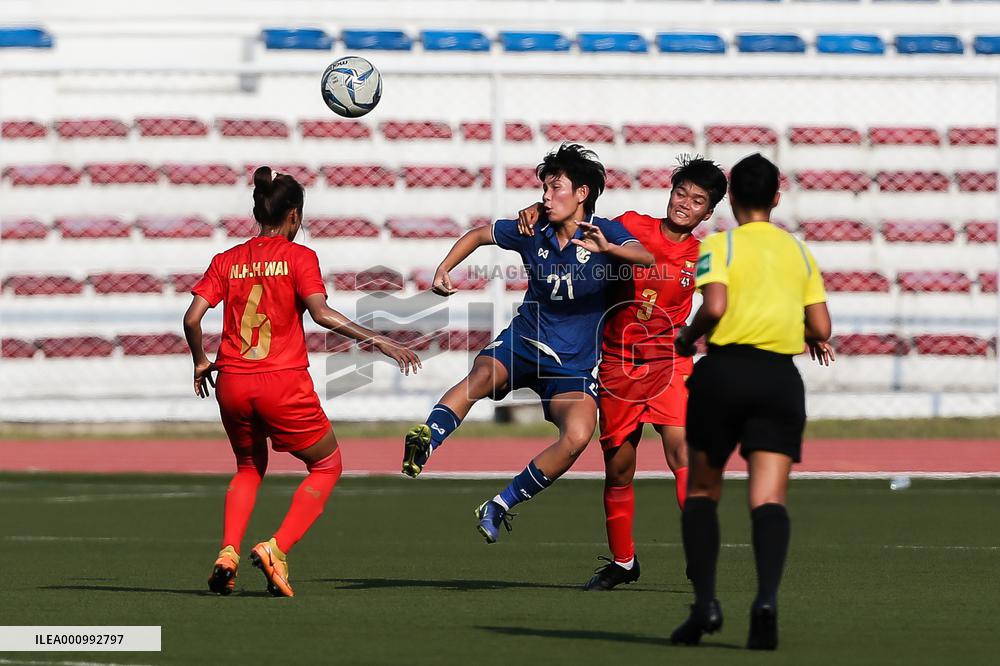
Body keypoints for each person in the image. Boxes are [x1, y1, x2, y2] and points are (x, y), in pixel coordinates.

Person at [183, 166, 421, 597]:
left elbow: (192, 318)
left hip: (232, 381)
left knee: (248, 468)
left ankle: (228, 553)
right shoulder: (299, 257)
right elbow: (321, 313)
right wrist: (380, 342)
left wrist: (201, 359)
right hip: (281, 382)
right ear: (294, 215)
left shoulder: (227, 260)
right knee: (327, 465)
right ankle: (277, 548)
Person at [400, 143, 654, 544]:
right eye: (545, 189)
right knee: (481, 376)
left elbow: (646, 258)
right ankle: (427, 438)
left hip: (571, 365)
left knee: (577, 436)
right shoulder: (532, 228)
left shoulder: (605, 233)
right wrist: (445, 267)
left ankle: (499, 505)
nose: (546, 197)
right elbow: (480, 234)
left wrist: (611, 248)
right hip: (525, 341)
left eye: (556, 189)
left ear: (582, 194)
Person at [516, 157, 727, 590]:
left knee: (682, 455)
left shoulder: (704, 254)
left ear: (708, 213)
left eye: (697, 201)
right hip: (617, 364)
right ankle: (623, 562)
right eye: (680, 193)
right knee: (619, 470)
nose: (685, 204)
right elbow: (579, 221)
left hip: (670, 363)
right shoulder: (631, 224)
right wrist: (537, 211)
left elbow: (719, 301)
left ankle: (699, 552)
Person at [668, 154, 834, 649]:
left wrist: (687, 337)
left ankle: (705, 607)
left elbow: (714, 307)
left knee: (702, 491)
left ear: (731, 199)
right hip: (779, 379)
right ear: (777, 199)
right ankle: (765, 601)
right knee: (768, 498)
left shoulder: (719, 244)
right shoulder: (799, 252)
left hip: (723, 374)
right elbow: (822, 328)